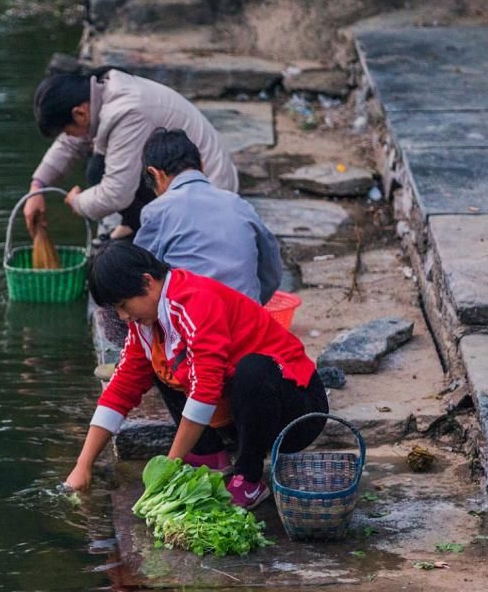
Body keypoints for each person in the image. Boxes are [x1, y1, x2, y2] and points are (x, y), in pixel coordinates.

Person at [63, 242, 328, 508]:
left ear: (147, 282)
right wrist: (83, 465)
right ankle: (209, 454)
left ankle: (249, 478)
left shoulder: (195, 301)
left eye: (123, 305)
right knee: (160, 363)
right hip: (243, 417)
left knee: (252, 370)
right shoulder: (146, 327)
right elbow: (121, 389)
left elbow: (205, 389)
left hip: (298, 412)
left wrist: (168, 467)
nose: (123, 317)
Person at [24, 68, 238, 239]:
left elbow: (116, 193)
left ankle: (147, 229)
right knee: (99, 168)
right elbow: (70, 144)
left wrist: (78, 202)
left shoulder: (127, 112)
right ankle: (135, 224)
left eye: (66, 129)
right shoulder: (101, 91)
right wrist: (37, 187)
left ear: (80, 113)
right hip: (179, 177)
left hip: (207, 193)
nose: (68, 136)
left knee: (97, 172)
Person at [135, 128, 282, 305]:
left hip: (196, 325)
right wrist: (252, 308)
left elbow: (139, 280)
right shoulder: (238, 204)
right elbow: (271, 272)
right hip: (248, 323)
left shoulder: (158, 210)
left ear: (155, 174)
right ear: (202, 166)